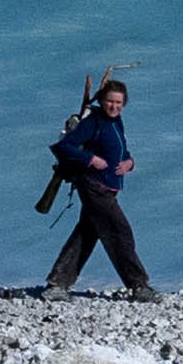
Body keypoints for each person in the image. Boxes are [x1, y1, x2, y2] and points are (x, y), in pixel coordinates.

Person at [35, 72, 149, 300]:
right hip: (94, 186)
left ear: (124, 104)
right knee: (120, 232)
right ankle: (139, 286)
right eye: (110, 101)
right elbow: (63, 147)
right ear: (101, 100)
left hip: (109, 188)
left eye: (118, 102)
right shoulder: (93, 122)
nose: (113, 106)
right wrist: (91, 160)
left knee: (87, 234)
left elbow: (121, 151)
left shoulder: (116, 122)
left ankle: (57, 284)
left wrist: (130, 163)